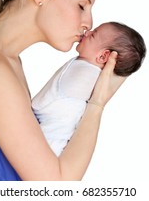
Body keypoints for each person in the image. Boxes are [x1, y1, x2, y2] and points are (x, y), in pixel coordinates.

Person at [0, 0, 126, 181]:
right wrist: (97, 103)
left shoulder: (6, 61)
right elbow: (55, 187)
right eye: (82, 5)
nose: (88, 22)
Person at [32, 21, 146, 156]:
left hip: (46, 143)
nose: (87, 32)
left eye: (93, 35)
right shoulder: (87, 69)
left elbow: (42, 104)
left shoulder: (86, 75)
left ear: (103, 56)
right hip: (47, 141)